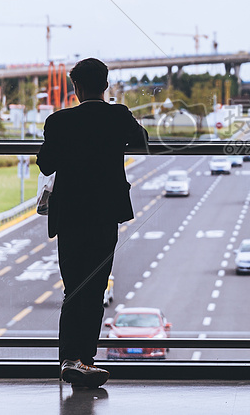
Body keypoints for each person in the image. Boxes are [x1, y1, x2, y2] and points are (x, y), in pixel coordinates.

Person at [37, 58, 148, 388]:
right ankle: (85, 359)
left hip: (70, 215)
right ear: (106, 86)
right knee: (96, 287)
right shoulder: (118, 116)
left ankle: (70, 360)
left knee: (73, 288)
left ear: (76, 87)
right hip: (104, 214)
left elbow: (45, 165)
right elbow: (143, 141)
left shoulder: (59, 122)